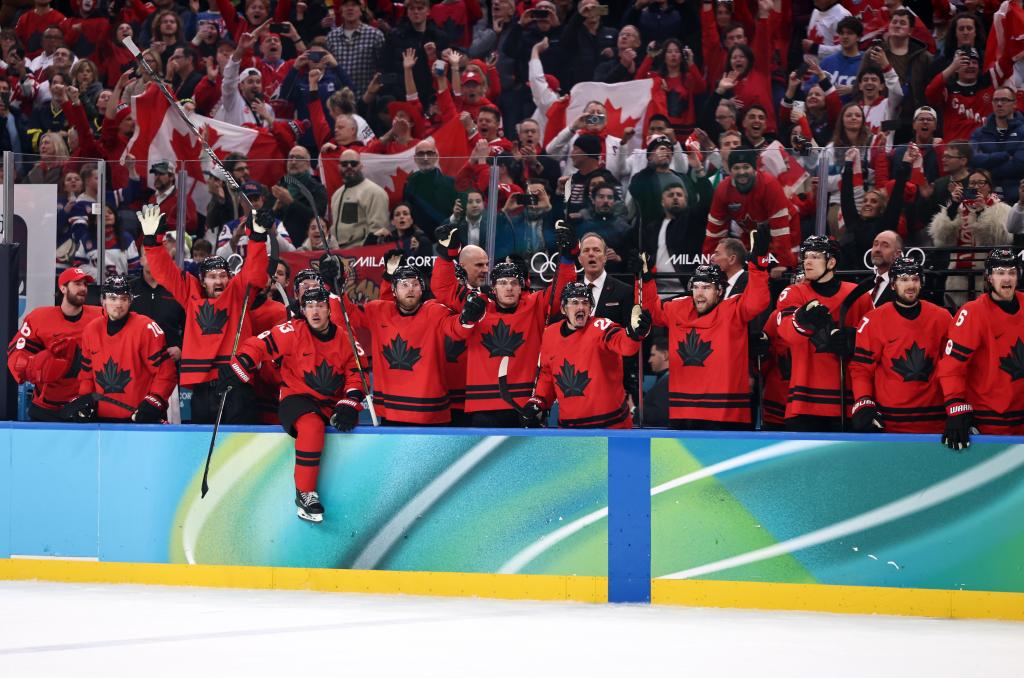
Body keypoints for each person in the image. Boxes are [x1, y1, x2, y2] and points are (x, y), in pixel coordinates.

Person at [221, 286, 364, 523]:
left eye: (320, 306)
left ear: (329, 310)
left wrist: (350, 403)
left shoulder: (345, 338)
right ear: (303, 310)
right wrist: (242, 363)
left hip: (329, 404)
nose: (315, 312)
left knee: (346, 426)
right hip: (296, 399)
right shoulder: (292, 330)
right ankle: (305, 493)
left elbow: (357, 374)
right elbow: (260, 344)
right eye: (310, 306)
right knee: (311, 426)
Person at [431, 225, 575, 426]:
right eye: (503, 283)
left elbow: (560, 292)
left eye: (514, 283)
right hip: (483, 406)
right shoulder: (478, 305)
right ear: (493, 287)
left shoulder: (534, 305)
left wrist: (567, 259)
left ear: (521, 286)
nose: (509, 288)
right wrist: (446, 256)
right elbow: (444, 287)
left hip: (525, 406)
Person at [139, 204, 268, 424]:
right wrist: (152, 242)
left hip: (235, 386)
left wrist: (257, 238)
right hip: (201, 389)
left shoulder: (237, 293)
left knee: (237, 444)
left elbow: (255, 273)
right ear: (202, 280)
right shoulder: (190, 294)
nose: (219, 281)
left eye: (223, 275)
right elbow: (165, 273)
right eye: (212, 276)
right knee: (201, 443)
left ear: (230, 278)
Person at [639, 226, 771, 429]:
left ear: (719, 291)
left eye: (707, 287)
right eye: (696, 287)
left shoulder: (734, 309)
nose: (699, 293)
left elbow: (758, 301)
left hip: (724, 412)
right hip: (683, 410)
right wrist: (646, 280)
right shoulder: (678, 308)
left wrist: (758, 266)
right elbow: (652, 313)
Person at [338, 260, 487, 426]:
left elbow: (456, 329)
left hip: (430, 413)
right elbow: (347, 314)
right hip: (391, 413)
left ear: (422, 289)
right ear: (394, 290)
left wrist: (467, 318)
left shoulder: (435, 311)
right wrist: (335, 287)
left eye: (415, 284)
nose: (410, 289)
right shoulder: (378, 310)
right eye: (404, 284)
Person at [774, 235, 874, 431]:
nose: (807, 262)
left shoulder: (858, 296)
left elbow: (872, 341)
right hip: (804, 404)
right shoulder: (794, 293)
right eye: (805, 257)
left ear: (831, 262)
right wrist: (801, 320)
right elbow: (786, 332)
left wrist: (854, 339)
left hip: (846, 401)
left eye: (815, 256)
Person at [524, 282, 650, 429]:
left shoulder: (601, 327)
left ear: (591, 308)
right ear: (563, 308)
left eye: (585, 302)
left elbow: (625, 345)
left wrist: (634, 335)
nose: (581, 307)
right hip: (569, 430)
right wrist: (539, 401)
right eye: (574, 302)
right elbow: (548, 376)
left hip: (610, 428)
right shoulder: (550, 334)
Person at [849, 257, 949, 433]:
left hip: (934, 421)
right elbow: (861, 368)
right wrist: (863, 401)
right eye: (903, 279)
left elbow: (952, 367)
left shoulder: (942, 317)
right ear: (893, 284)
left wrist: (957, 405)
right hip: (889, 423)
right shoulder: (873, 320)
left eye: (915, 279)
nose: (910, 285)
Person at [938, 248, 1024, 450]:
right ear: (989, 278)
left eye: (1012, 272)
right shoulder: (972, 312)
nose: (1007, 278)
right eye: (1000, 272)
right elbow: (951, 367)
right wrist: (955, 406)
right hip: (989, 421)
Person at [65, 275, 176, 423]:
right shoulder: (91, 330)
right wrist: (85, 400)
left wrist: (156, 400)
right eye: (113, 298)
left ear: (130, 300)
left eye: (124, 298)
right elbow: (87, 375)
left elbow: (166, 372)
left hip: (139, 420)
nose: (118, 304)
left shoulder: (146, 328)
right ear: (103, 300)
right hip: (101, 422)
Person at [6, 267, 102, 421]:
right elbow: (17, 354)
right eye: (77, 284)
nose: (83, 288)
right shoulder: (39, 317)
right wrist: (37, 367)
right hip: (47, 407)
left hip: (84, 405)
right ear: (63, 288)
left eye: (85, 284)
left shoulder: (100, 316)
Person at [703, 147, 797, 272]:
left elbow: (780, 230)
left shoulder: (769, 184)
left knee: (786, 268)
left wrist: (784, 264)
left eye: (746, 167)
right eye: (736, 168)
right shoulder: (722, 190)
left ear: (755, 169)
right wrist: (708, 267)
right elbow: (714, 233)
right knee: (749, 268)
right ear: (730, 171)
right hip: (753, 233)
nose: (741, 172)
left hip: (787, 229)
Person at [929, 168, 1012, 308]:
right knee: (958, 313)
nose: (976, 186)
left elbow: (1000, 239)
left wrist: (981, 212)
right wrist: (953, 206)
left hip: (987, 275)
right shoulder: (958, 208)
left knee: (987, 313)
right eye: (972, 183)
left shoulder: (1001, 209)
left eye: (981, 183)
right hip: (957, 275)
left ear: (989, 187)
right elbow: (941, 239)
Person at [969, 86, 1024, 204]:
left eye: (1004, 100)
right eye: (996, 100)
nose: (999, 104)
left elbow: (1019, 165)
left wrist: (987, 169)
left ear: (1014, 104)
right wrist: (1005, 156)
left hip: (1017, 199)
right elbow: (973, 160)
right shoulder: (979, 133)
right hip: (983, 198)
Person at [328, 149, 390, 249]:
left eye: (353, 163)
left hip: (361, 252)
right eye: (344, 164)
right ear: (339, 167)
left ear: (361, 165)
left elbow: (378, 230)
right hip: (338, 253)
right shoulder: (336, 195)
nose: (349, 167)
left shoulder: (375, 192)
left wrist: (364, 252)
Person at [642, 334, 670, 428]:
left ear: (665, 355)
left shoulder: (666, 382)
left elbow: (659, 415)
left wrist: (634, 409)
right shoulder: (664, 380)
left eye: (653, 355)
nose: (649, 360)